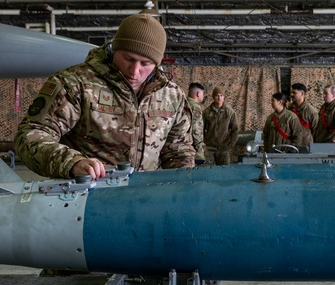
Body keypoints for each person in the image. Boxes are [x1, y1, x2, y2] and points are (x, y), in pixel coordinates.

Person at [15, 14, 195, 179]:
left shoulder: (172, 96)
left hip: (144, 198)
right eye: (128, 58)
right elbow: (30, 135)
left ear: (157, 63)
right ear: (115, 50)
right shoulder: (76, 84)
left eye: (145, 63)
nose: (135, 70)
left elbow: (179, 152)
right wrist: (72, 162)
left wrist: (183, 186)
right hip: (85, 197)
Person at [203, 87, 239, 165]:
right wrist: (203, 144)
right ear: (213, 97)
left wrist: (230, 145)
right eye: (217, 96)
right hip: (209, 148)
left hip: (223, 148)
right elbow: (201, 129)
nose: (219, 98)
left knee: (224, 173)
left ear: (224, 97)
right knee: (208, 172)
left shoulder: (230, 112)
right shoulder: (206, 112)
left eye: (221, 95)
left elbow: (235, 130)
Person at [289, 83, 317, 147]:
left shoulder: (311, 112)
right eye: (291, 92)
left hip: (305, 146)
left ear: (302, 93)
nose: (291, 95)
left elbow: (316, 132)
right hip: (291, 145)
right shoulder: (289, 109)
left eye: (294, 93)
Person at [187, 82, 207, 164]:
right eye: (203, 93)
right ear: (198, 94)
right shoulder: (195, 107)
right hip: (192, 149)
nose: (203, 96)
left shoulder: (183, 103)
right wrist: (199, 149)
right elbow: (196, 130)